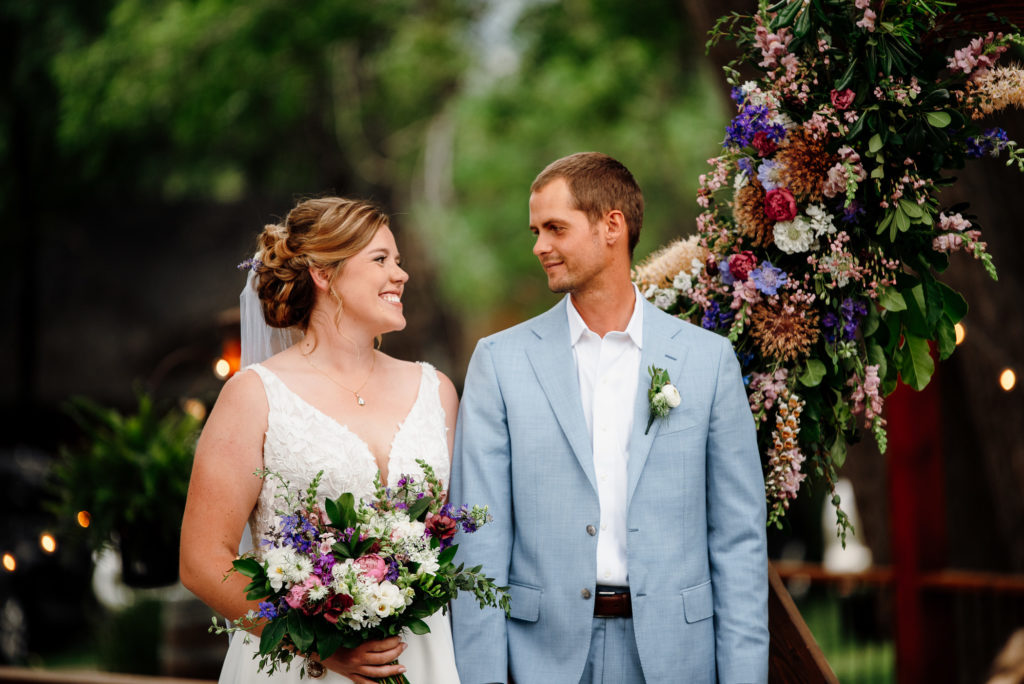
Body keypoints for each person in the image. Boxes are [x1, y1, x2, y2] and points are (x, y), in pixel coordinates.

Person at [450, 152, 769, 683]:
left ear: (611, 226)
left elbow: (738, 542)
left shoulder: (707, 361)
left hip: (676, 657)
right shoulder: (499, 362)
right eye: (535, 230)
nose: (539, 247)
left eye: (555, 228)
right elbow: (478, 544)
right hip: (541, 659)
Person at [180, 197, 462, 683]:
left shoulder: (436, 391)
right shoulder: (255, 396)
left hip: (417, 658)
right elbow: (203, 561)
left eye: (398, 260)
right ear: (324, 275)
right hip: (299, 668)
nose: (401, 274)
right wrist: (318, 645)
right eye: (380, 259)